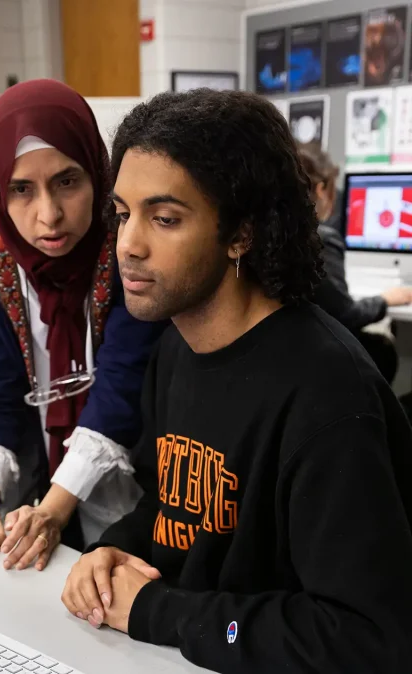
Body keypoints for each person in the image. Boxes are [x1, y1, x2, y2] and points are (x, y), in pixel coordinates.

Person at [63, 90, 412, 673]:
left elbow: (366, 637)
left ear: (241, 234)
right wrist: (111, 550)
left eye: (165, 218)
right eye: (123, 214)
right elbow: (175, 508)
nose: (128, 244)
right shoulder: (176, 346)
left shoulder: (327, 396)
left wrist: (159, 611)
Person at [0, 80, 166, 570]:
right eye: (21, 189)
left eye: (67, 181)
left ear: (98, 175)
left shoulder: (127, 242)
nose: (49, 215)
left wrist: (53, 511)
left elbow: (121, 387)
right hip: (38, 480)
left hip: (141, 488)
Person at [297, 143, 410, 383]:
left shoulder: (268, 235)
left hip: (292, 353)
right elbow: (346, 315)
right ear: (320, 189)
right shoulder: (320, 240)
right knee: (383, 348)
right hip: (320, 357)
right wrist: (385, 300)